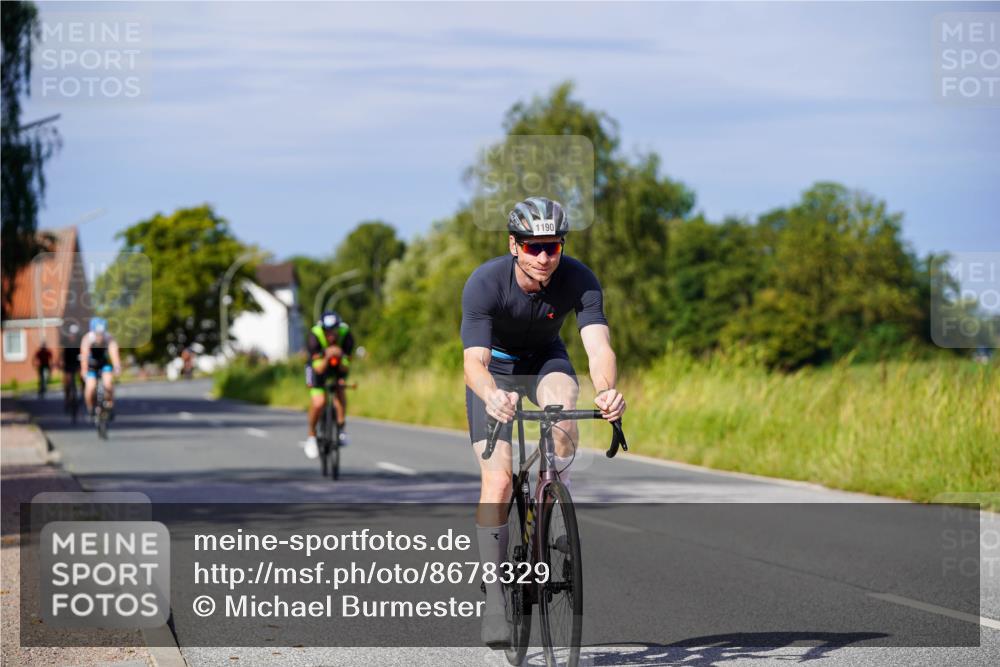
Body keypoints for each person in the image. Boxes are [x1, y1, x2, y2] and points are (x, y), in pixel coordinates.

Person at [461, 196, 626, 648]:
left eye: (551, 246)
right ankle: (495, 600)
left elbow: (598, 346)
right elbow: (472, 362)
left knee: (563, 405)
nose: (543, 257)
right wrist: (493, 397)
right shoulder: (485, 283)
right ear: (514, 246)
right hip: (494, 371)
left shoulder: (579, 278)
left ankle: (553, 497)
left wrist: (607, 388)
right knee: (496, 482)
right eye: (533, 247)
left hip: (546, 359)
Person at [303, 311, 355, 458]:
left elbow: (345, 366)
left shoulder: (346, 336)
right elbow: (318, 369)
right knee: (319, 402)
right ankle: (311, 436)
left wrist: (339, 355)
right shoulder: (315, 337)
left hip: (337, 364)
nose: (332, 335)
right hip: (316, 366)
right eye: (328, 332)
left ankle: (340, 429)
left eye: (334, 331)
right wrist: (327, 356)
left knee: (340, 389)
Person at [80, 318, 122, 420]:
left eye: (101, 333)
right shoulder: (87, 339)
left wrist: (117, 366)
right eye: (97, 333)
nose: (99, 336)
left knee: (108, 383)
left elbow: (114, 352)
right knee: (90, 387)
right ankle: (90, 408)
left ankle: (110, 405)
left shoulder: (109, 337)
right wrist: (84, 370)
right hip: (91, 365)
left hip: (104, 363)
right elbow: (84, 356)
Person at [60, 324, 82, 413]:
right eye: (72, 334)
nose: (74, 336)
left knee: (82, 377)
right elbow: (61, 351)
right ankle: (67, 398)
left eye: (75, 334)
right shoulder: (65, 341)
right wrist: (61, 361)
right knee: (67, 381)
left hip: (77, 363)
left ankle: (82, 393)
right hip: (68, 363)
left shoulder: (79, 341)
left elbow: (83, 351)